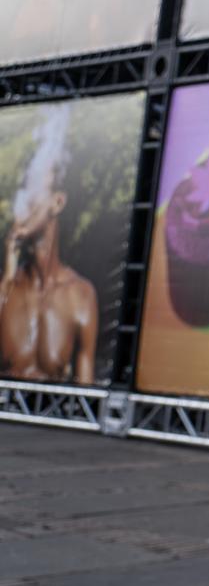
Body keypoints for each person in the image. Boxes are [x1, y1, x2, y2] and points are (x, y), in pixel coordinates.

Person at [0, 114, 99, 384]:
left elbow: (86, 399)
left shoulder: (80, 295)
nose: (24, 198)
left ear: (57, 203)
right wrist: (8, 276)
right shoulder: (8, 288)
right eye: (22, 188)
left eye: (33, 187)